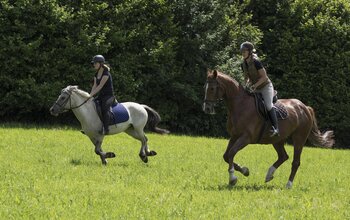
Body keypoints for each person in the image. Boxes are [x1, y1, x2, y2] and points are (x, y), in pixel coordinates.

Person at [240, 42, 279, 137]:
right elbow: (247, 77)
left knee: (268, 105)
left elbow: (264, 77)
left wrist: (255, 85)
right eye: (242, 51)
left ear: (249, 52)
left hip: (265, 86)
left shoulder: (256, 62)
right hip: (256, 87)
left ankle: (276, 128)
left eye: (244, 51)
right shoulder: (243, 64)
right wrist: (246, 84)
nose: (243, 53)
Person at [90, 55, 115, 135]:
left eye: (95, 63)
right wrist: (89, 96)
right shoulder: (96, 74)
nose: (94, 65)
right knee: (91, 105)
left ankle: (106, 128)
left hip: (109, 96)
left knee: (104, 108)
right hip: (101, 96)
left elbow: (100, 86)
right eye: (93, 63)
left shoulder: (106, 73)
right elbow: (94, 86)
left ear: (100, 64)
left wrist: (90, 96)